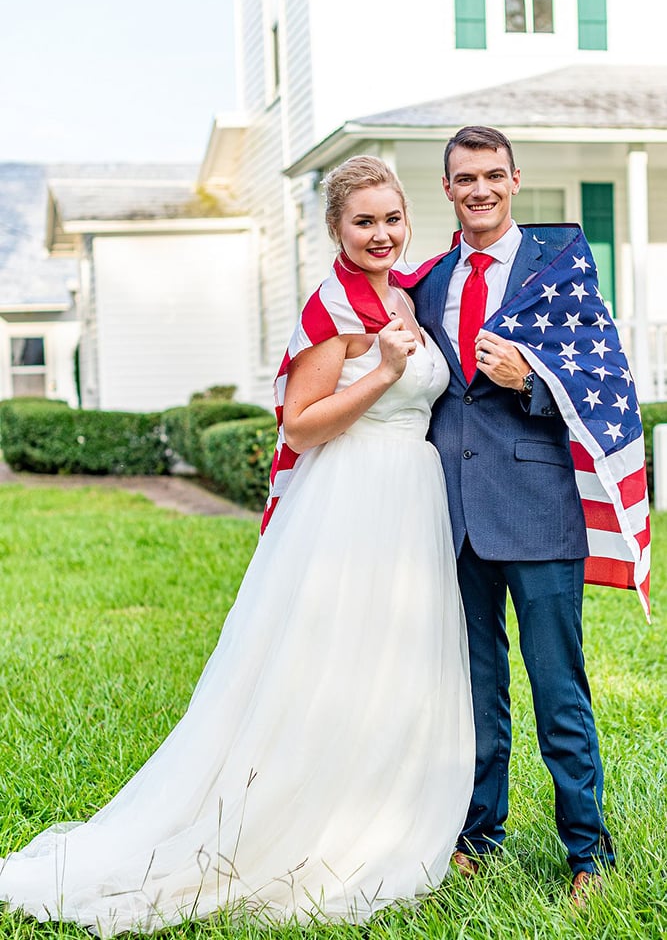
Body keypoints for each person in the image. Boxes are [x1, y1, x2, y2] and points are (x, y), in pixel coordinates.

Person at [0, 156, 474, 935]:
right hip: (355, 498)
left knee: (393, 660)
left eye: (391, 218)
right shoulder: (334, 306)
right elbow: (299, 422)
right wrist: (386, 372)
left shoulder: (406, 294)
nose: (381, 233)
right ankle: (306, 820)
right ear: (335, 229)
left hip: (410, 500)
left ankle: (389, 807)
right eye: (363, 222)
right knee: (332, 660)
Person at [411, 125, 617, 908]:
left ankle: (588, 853)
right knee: (472, 687)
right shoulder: (428, 282)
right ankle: (474, 835)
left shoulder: (557, 270)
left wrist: (532, 380)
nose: (480, 189)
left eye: (493, 175)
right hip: (451, 514)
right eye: (465, 178)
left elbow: (603, 373)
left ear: (514, 179)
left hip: (537, 511)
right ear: (447, 188)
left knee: (558, 687)